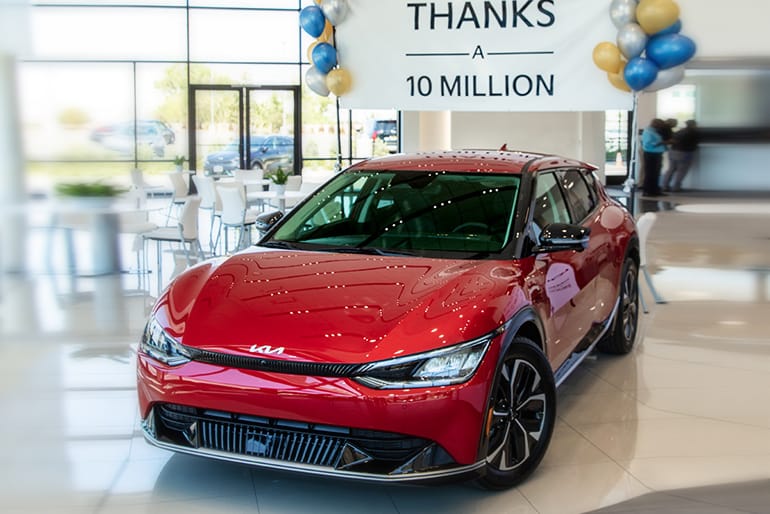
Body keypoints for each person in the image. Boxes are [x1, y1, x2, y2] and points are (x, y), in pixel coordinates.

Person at [662, 120, 699, 192]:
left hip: (673, 151)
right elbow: (695, 143)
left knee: (671, 169)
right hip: (684, 153)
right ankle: (676, 187)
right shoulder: (694, 132)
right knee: (681, 171)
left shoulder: (680, 131)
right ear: (693, 125)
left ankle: (664, 186)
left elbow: (672, 139)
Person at [641, 118, 668, 196]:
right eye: (660, 125)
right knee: (650, 173)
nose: (661, 126)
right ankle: (648, 191)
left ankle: (655, 190)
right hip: (651, 154)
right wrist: (662, 142)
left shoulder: (654, 131)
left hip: (656, 154)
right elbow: (648, 144)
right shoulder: (648, 131)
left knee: (656, 173)